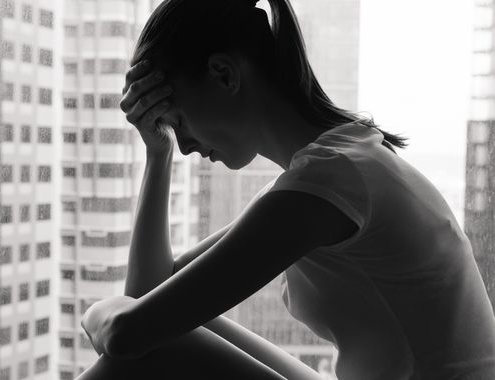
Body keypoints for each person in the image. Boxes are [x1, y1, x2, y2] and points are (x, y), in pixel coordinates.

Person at [76, 0, 495, 379]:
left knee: (144, 343)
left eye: (179, 123)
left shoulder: (329, 181)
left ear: (224, 74)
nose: (185, 146)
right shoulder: (332, 168)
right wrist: (157, 154)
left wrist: (97, 312)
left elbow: (128, 334)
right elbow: (152, 293)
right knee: (168, 326)